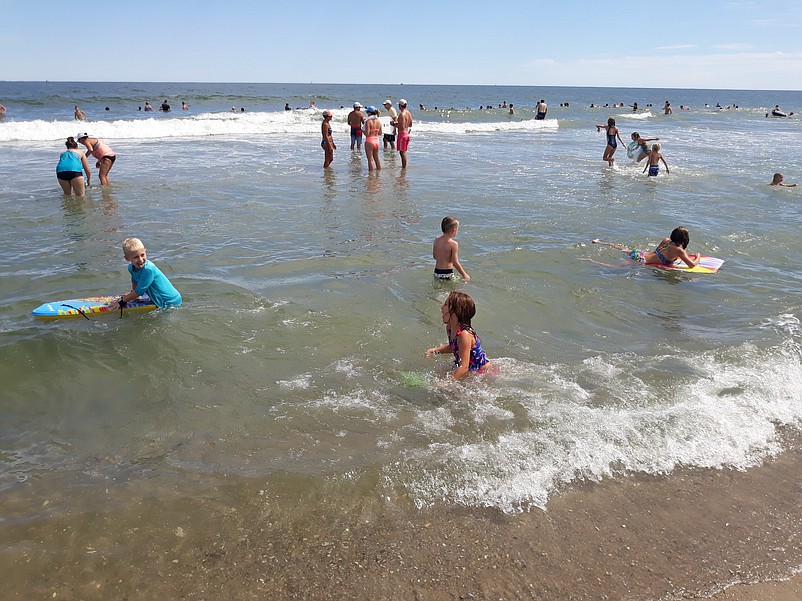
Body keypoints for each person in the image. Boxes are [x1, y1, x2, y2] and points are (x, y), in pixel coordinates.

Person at [425, 291, 490, 381]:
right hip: (469, 369)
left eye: (446, 305)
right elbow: (454, 347)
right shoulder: (450, 327)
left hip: (481, 373)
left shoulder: (464, 335)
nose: (442, 307)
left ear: (455, 312)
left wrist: (446, 382)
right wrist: (435, 351)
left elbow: (463, 368)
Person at [107, 238, 182, 312]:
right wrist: (132, 293)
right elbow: (135, 280)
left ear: (145, 252)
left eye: (142, 255)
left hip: (170, 302)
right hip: (159, 299)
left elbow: (138, 292)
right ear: (127, 258)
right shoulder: (131, 268)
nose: (140, 259)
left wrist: (121, 302)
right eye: (136, 257)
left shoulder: (148, 270)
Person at [592, 227, 700, 268]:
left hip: (640, 253)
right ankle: (590, 260)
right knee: (614, 267)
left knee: (621, 248)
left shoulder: (666, 240)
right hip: (640, 260)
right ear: (684, 239)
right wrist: (697, 257)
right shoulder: (679, 250)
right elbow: (691, 265)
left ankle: (599, 242)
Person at [433, 216, 471, 281]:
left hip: (437, 272)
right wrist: (465, 275)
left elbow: (435, 256)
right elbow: (455, 262)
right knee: (452, 290)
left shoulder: (436, 240)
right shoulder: (453, 244)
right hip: (447, 273)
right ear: (454, 231)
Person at [363, 106, 382, 171]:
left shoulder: (368, 121)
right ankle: (378, 173)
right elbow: (380, 133)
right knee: (376, 158)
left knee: (370, 160)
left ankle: (371, 176)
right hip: (376, 141)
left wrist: (362, 131)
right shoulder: (378, 121)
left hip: (369, 141)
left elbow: (367, 133)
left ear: (369, 113)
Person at [396, 99, 412, 168]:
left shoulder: (402, 114)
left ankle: (404, 168)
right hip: (407, 133)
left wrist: (394, 124)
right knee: (403, 152)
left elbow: (401, 127)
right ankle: (404, 167)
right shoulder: (408, 113)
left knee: (402, 153)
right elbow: (410, 124)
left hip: (402, 134)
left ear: (400, 105)